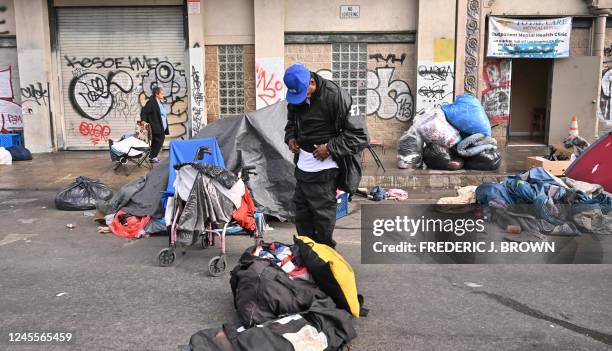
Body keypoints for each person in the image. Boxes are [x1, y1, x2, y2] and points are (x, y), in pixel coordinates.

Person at [284, 63, 368, 248]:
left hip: (326, 169)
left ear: (312, 82)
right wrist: (290, 138)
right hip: (303, 168)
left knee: (322, 216)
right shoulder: (297, 99)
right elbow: (291, 124)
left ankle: (325, 257)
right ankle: (307, 253)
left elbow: (360, 136)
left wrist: (329, 148)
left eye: (302, 93)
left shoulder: (336, 96)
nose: (298, 100)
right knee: (302, 213)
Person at [140, 86, 169, 163]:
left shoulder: (159, 102)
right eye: (161, 93)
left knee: (156, 141)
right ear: (156, 94)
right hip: (156, 126)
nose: (163, 95)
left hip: (161, 126)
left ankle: (152, 156)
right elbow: (144, 111)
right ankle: (152, 156)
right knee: (159, 141)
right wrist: (143, 121)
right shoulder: (151, 102)